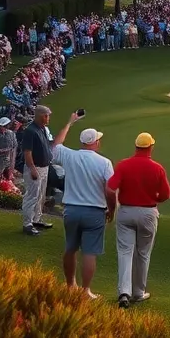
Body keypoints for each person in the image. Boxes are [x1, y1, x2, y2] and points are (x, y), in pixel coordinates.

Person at [50, 114, 116, 298]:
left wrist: (69, 123)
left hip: (71, 210)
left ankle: (70, 285)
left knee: (70, 248)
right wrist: (112, 210)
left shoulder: (69, 156)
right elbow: (110, 191)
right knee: (89, 252)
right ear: (95, 143)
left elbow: (56, 145)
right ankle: (86, 290)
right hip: (94, 212)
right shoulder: (104, 163)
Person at [108, 132, 170, 309]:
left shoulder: (123, 165)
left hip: (126, 211)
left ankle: (123, 292)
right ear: (151, 147)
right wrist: (154, 198)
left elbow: (111, 187)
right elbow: (166, 194)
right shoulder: (157, 168)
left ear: (136, 146)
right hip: (148, 213)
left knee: (125, 252)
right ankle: (138, 292)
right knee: (143, 253)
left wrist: (112, 207)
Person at [20, 105, 55, 235]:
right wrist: (32, 169)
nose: (48, 118)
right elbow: (27, 152)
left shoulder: (42, 129)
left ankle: (36, 219)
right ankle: (27, 224)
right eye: (47, 115)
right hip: (35, 168)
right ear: (41, 116)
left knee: (40, 196)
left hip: (44, 167)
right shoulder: (30, 131)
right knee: (32, 196)